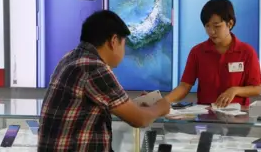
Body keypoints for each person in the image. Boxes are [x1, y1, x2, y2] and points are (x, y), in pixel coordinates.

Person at [38, 10, 170, 152]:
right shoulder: (94, 67)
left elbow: (98, 103)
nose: (123, 51)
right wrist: (161, 107)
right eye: (123, 44)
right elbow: (140, 120)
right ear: (113, 41)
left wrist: (135, 106)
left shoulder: (70, 58)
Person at [165, 0, 261, 107]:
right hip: (205, 117)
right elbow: (184, 86)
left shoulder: (247, 52)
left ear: (230, 24)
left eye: (217, 26)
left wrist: (235, 90)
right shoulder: (197, 52)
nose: (211, 31)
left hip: (238, 118)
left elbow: (257, 89)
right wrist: (164, 101)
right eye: (207, 26)